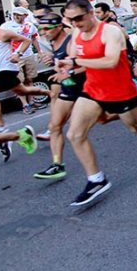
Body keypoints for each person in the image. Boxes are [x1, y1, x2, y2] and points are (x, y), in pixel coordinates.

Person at [58, 0, 137, 207]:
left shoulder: (111, 32)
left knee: (136, 129)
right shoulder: (76, 33)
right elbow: (75, 62)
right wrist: (66, 68)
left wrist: (75, 62)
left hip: (120, 92)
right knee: (74, 134)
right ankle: (96, 179)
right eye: (70, 20)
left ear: (91, 13)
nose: (75, 23)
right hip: (93, 90)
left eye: (78, 18)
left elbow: (110, 61)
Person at [32, 14, 87, 179]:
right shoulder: (52, 43)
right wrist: (54, 65)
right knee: (55, 126)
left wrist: (68, 72)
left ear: (59, 27)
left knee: (107, 117)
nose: (44, 32)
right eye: (41, 29)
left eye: (47, 28)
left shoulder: (72, 41)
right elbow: (61, 65)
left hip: (87, 89)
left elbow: (87, 64)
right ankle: (57, 165)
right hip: (68, 90)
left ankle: (130, 114)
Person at [0, 26, 51, 161]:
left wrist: (17, 54)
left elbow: (26, 40)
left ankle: (1, 127)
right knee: (22, 91)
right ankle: (52, 93)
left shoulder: (2, 33)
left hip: (6, 69)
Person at [2, 6, 41, 114]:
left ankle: (32, 101)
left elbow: (34, 38)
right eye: (14, 14)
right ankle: (25, 105)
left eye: (19, 14)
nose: (16, 16)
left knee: (30, 79)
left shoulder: (30, 26)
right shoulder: (6, 26)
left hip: (28, 55)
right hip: (14, 56)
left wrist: (40, 52)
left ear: (25, 15)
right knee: (19, 81)